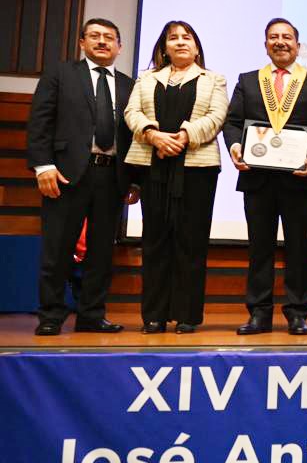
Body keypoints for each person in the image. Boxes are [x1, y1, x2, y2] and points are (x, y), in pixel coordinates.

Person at [26, 18, 138, 335]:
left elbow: (133, 137)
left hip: (112, 176)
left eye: (109, 37)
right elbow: (40, 122)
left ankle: (91, 315)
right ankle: (51, 316)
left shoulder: (129, 85)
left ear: (119, 46)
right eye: (94, 36)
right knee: (57, 249)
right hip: (64, 174)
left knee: (101, 253)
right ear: (82, 42)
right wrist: (43, 166)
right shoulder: (60, 74)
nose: (102, 41)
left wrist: (134, 180)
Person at [223, 18, 307, 335]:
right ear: (265, 44)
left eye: (287, 37)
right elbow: (232, 122)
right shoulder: (248, 81)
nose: (280, 41)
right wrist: (236, 146)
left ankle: (297, 312)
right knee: (260, 248)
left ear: (298, 45)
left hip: (300, 178)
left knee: (299, 248)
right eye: (274, 37)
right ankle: (259, 313)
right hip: (257, 178)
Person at [123, 20, 227, 334]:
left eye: (187, 37)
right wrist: (153, 135)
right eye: (173, 38)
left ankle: (187, 315)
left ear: (196, 47)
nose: (180, 42)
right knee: (155, 242)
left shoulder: (214, 79)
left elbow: (217, 116)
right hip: (152, 166)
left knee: (191, 242)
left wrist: (183, 136)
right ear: (164, 48)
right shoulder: (145, 79)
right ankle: (153, 316)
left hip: (197, 170)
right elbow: (131, 113)